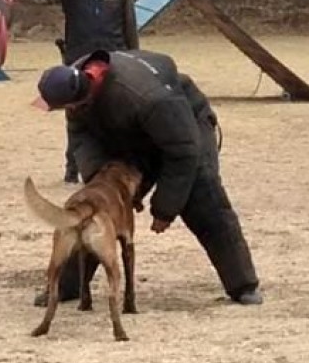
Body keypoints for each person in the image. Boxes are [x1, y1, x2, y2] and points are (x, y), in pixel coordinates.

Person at [32, 48, 263, 307]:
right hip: (131, 132)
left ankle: (243, 284)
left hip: (185, 128)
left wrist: (164, 208)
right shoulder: (75, 84)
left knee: (204, 199)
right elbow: (81, 137)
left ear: (78, 98)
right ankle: (66, 286)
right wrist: (100, 179)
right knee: (97, 206)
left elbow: (184, 150)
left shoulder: (147, 97)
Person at [0, 0, 139, 184]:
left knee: (116, 116)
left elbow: (130, 28)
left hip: (114, 62)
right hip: (78, 63)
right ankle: (72, 168)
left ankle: (115, 166)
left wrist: (134, 58)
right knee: (76, 117)